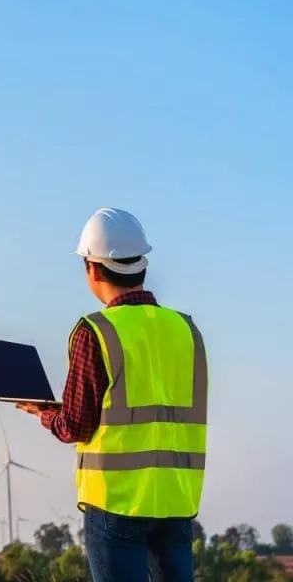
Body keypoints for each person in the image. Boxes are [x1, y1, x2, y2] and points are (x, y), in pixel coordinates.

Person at [17, 207, 207, 582]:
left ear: (92, 267)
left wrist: (44, 414)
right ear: (142, 264)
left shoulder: (95, 331)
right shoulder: (186, 330)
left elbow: (76, 424)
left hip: (117, 504)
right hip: (176, 501)